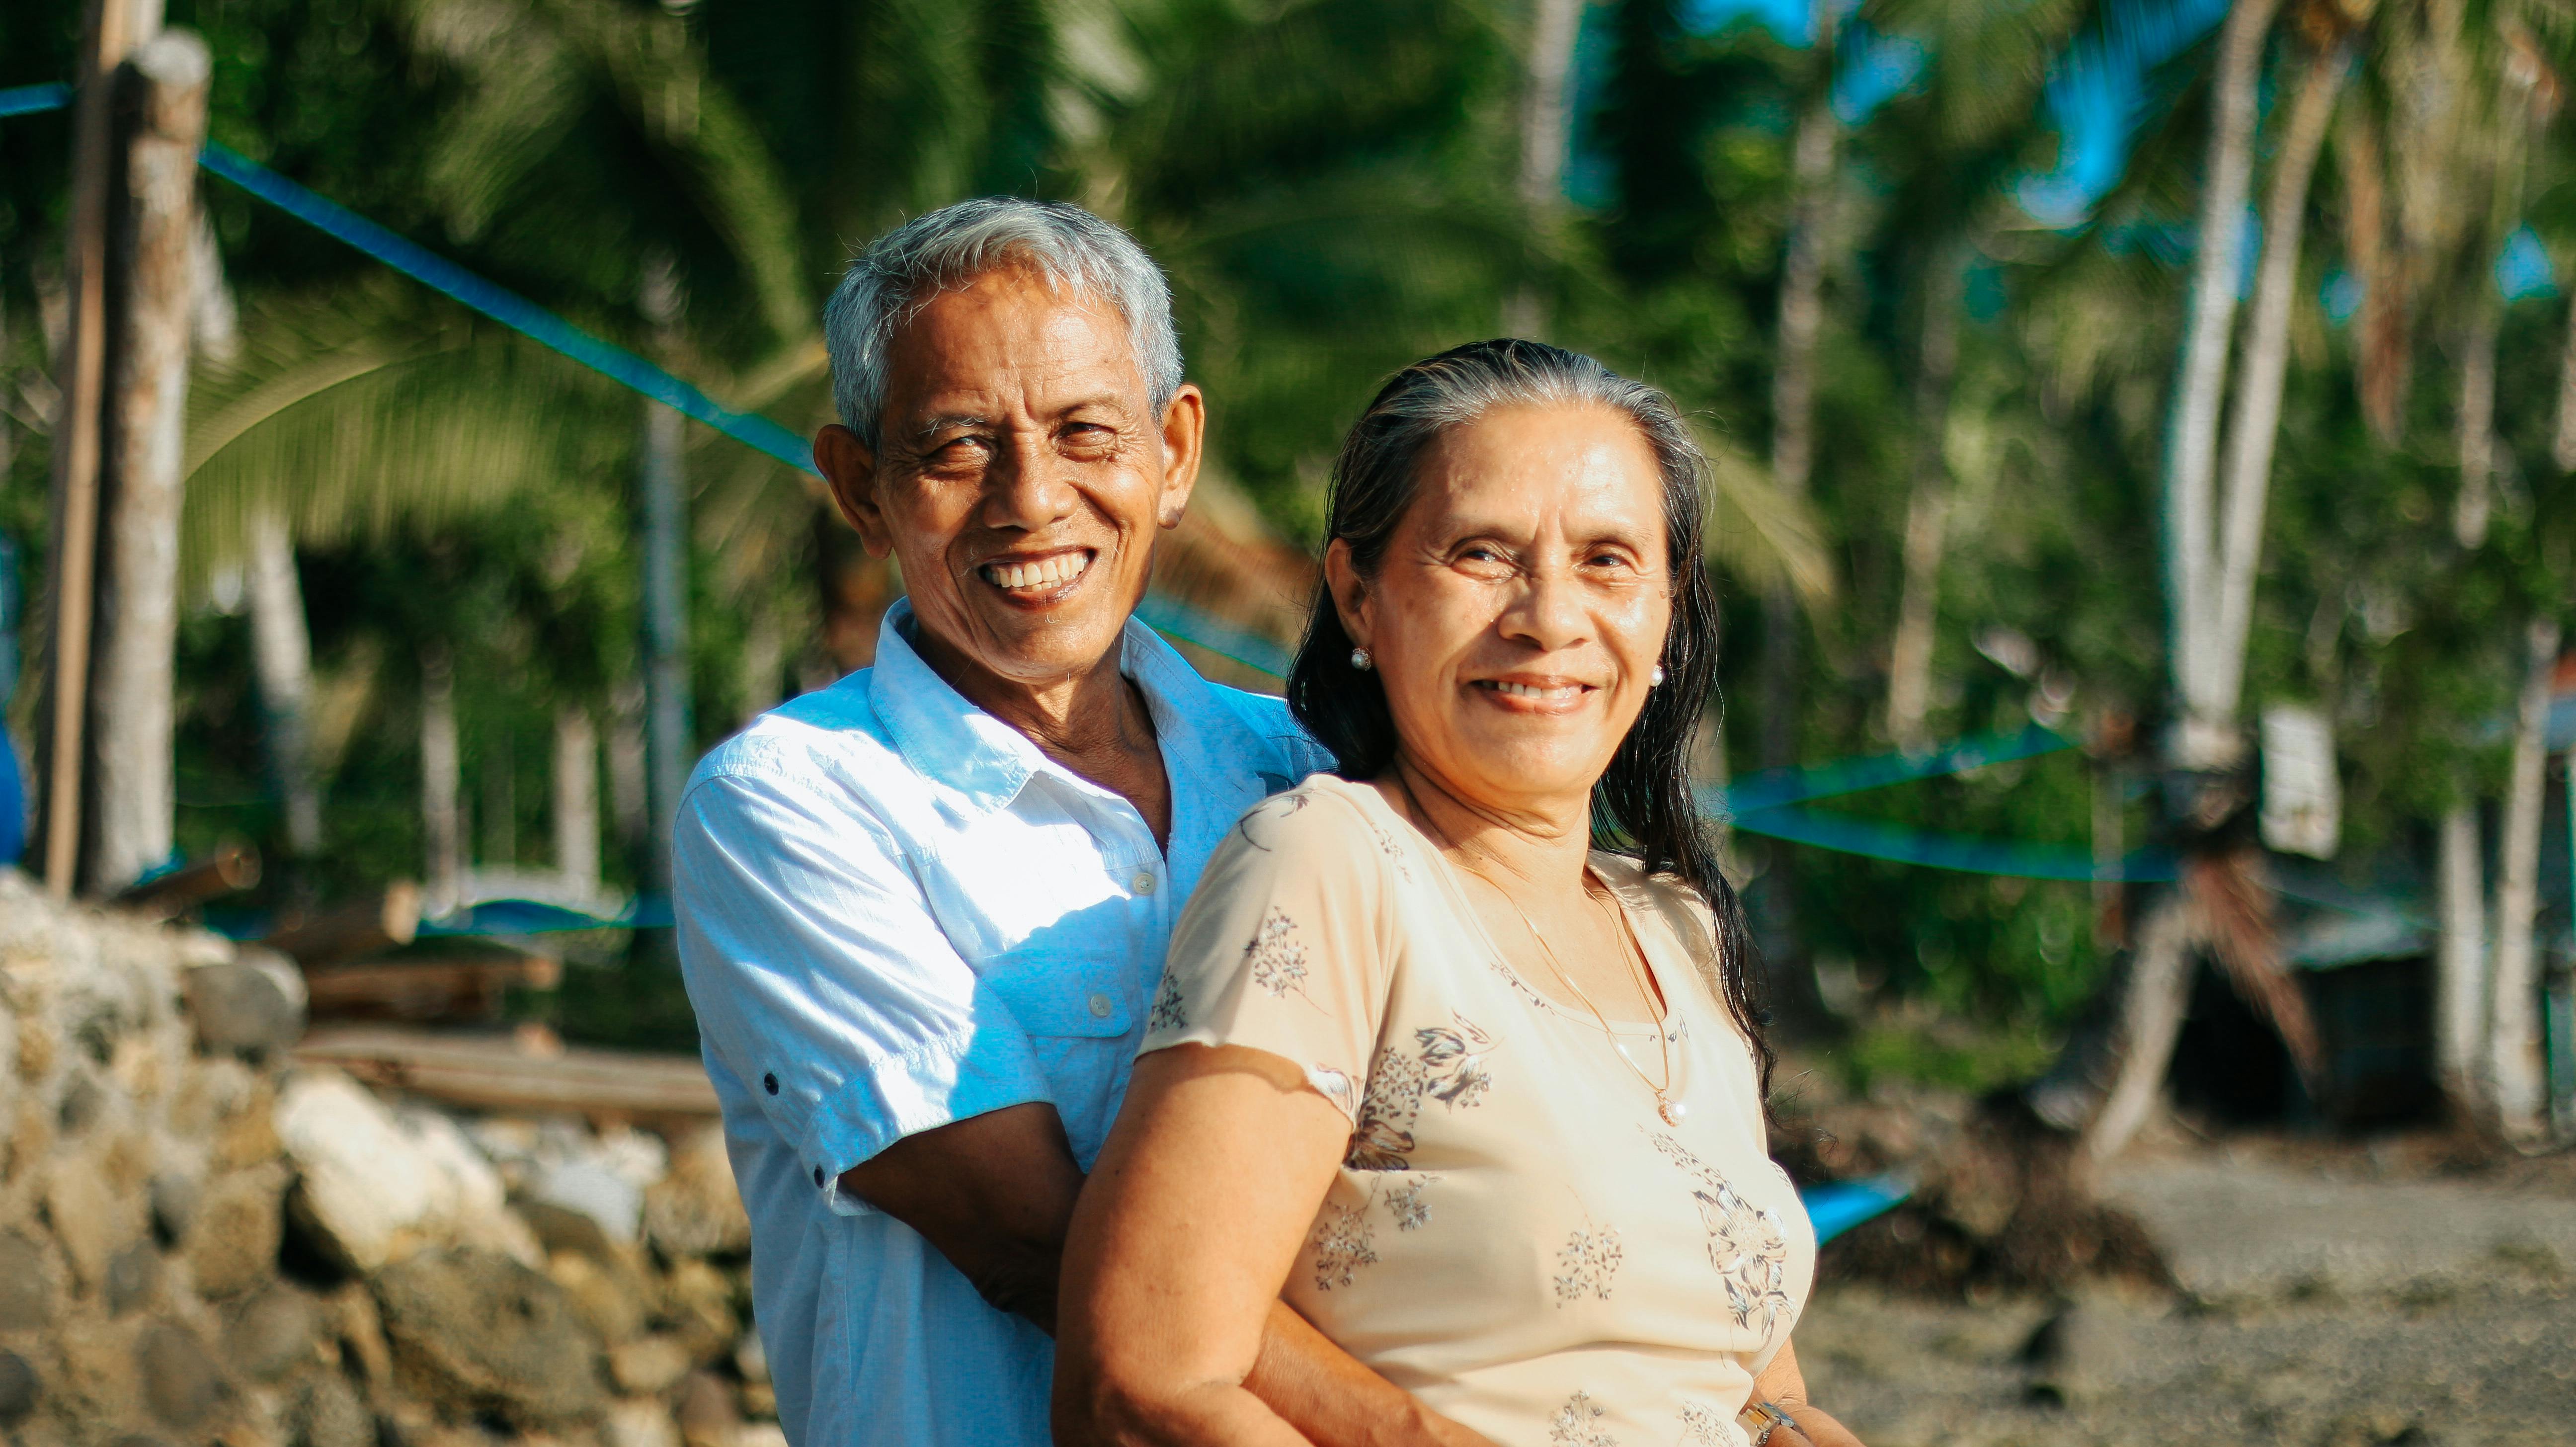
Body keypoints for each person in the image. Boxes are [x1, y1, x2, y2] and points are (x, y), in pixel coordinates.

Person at [672, 198, 1490, 1447]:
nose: (1030, 499)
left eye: (1085, 432)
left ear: (1175, 453)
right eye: (955, 448)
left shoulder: (1305, 767)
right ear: (860, 487)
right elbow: (1033, 1240)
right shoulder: (789, 802)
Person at [1055, 339, 1864, 1447]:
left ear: (1668, 613)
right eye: (1483, 553)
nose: (1548, 615)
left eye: (1608, 560)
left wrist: (1796, 1425)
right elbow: (1146, 1384)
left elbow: (1744, 1376)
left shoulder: (1672, 925)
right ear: (1358, 597)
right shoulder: (1331, 868)